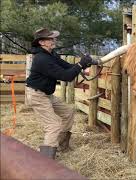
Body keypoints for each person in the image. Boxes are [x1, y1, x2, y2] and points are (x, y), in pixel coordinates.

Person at [26, 28, 94, 159]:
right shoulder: (42, 59)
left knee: (68, 112)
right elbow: (66, 76)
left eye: (53, 38)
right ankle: (46, 161)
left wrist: (85, 64)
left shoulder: (51, 54)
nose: (54, 40)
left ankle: (61, 144)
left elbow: (67, 67)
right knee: (53, 125)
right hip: (37, 95)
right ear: (42, 42)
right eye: (50, 38)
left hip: (46, 94)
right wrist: (80, 64)